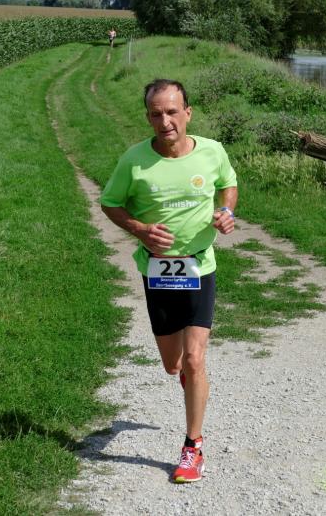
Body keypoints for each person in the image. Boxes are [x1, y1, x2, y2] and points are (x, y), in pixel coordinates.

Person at [100, 79, 238, 483]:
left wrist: (226, 212)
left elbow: (228, 185)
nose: (165, 121)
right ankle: (187, 377)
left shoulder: (212, 151)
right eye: (156, 114)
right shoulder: (134, 160)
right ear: (148, 117)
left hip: (199, 266)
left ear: (187, 113)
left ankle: (193, 447)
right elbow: (110, 203)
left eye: (172, 112)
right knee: (173, 364)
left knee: (195, 359)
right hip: (158, 272)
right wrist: (140, 229)